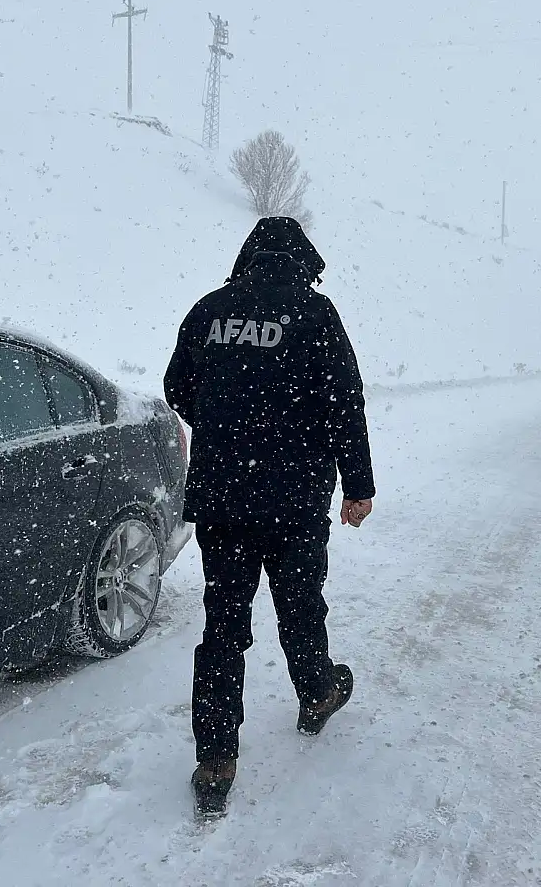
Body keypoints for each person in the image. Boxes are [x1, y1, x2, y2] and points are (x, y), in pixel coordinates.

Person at [164, 216, 376, 816]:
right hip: (294, 499)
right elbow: (344, 402)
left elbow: (178, 386)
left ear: (249, 257)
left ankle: (215, 760)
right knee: (300, 604)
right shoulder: (316, 314)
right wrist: (357, 485)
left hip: (223, 498)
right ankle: (317, 692)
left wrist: (226, 425)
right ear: (303, 260)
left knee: (223, 626)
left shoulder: (210, 310)